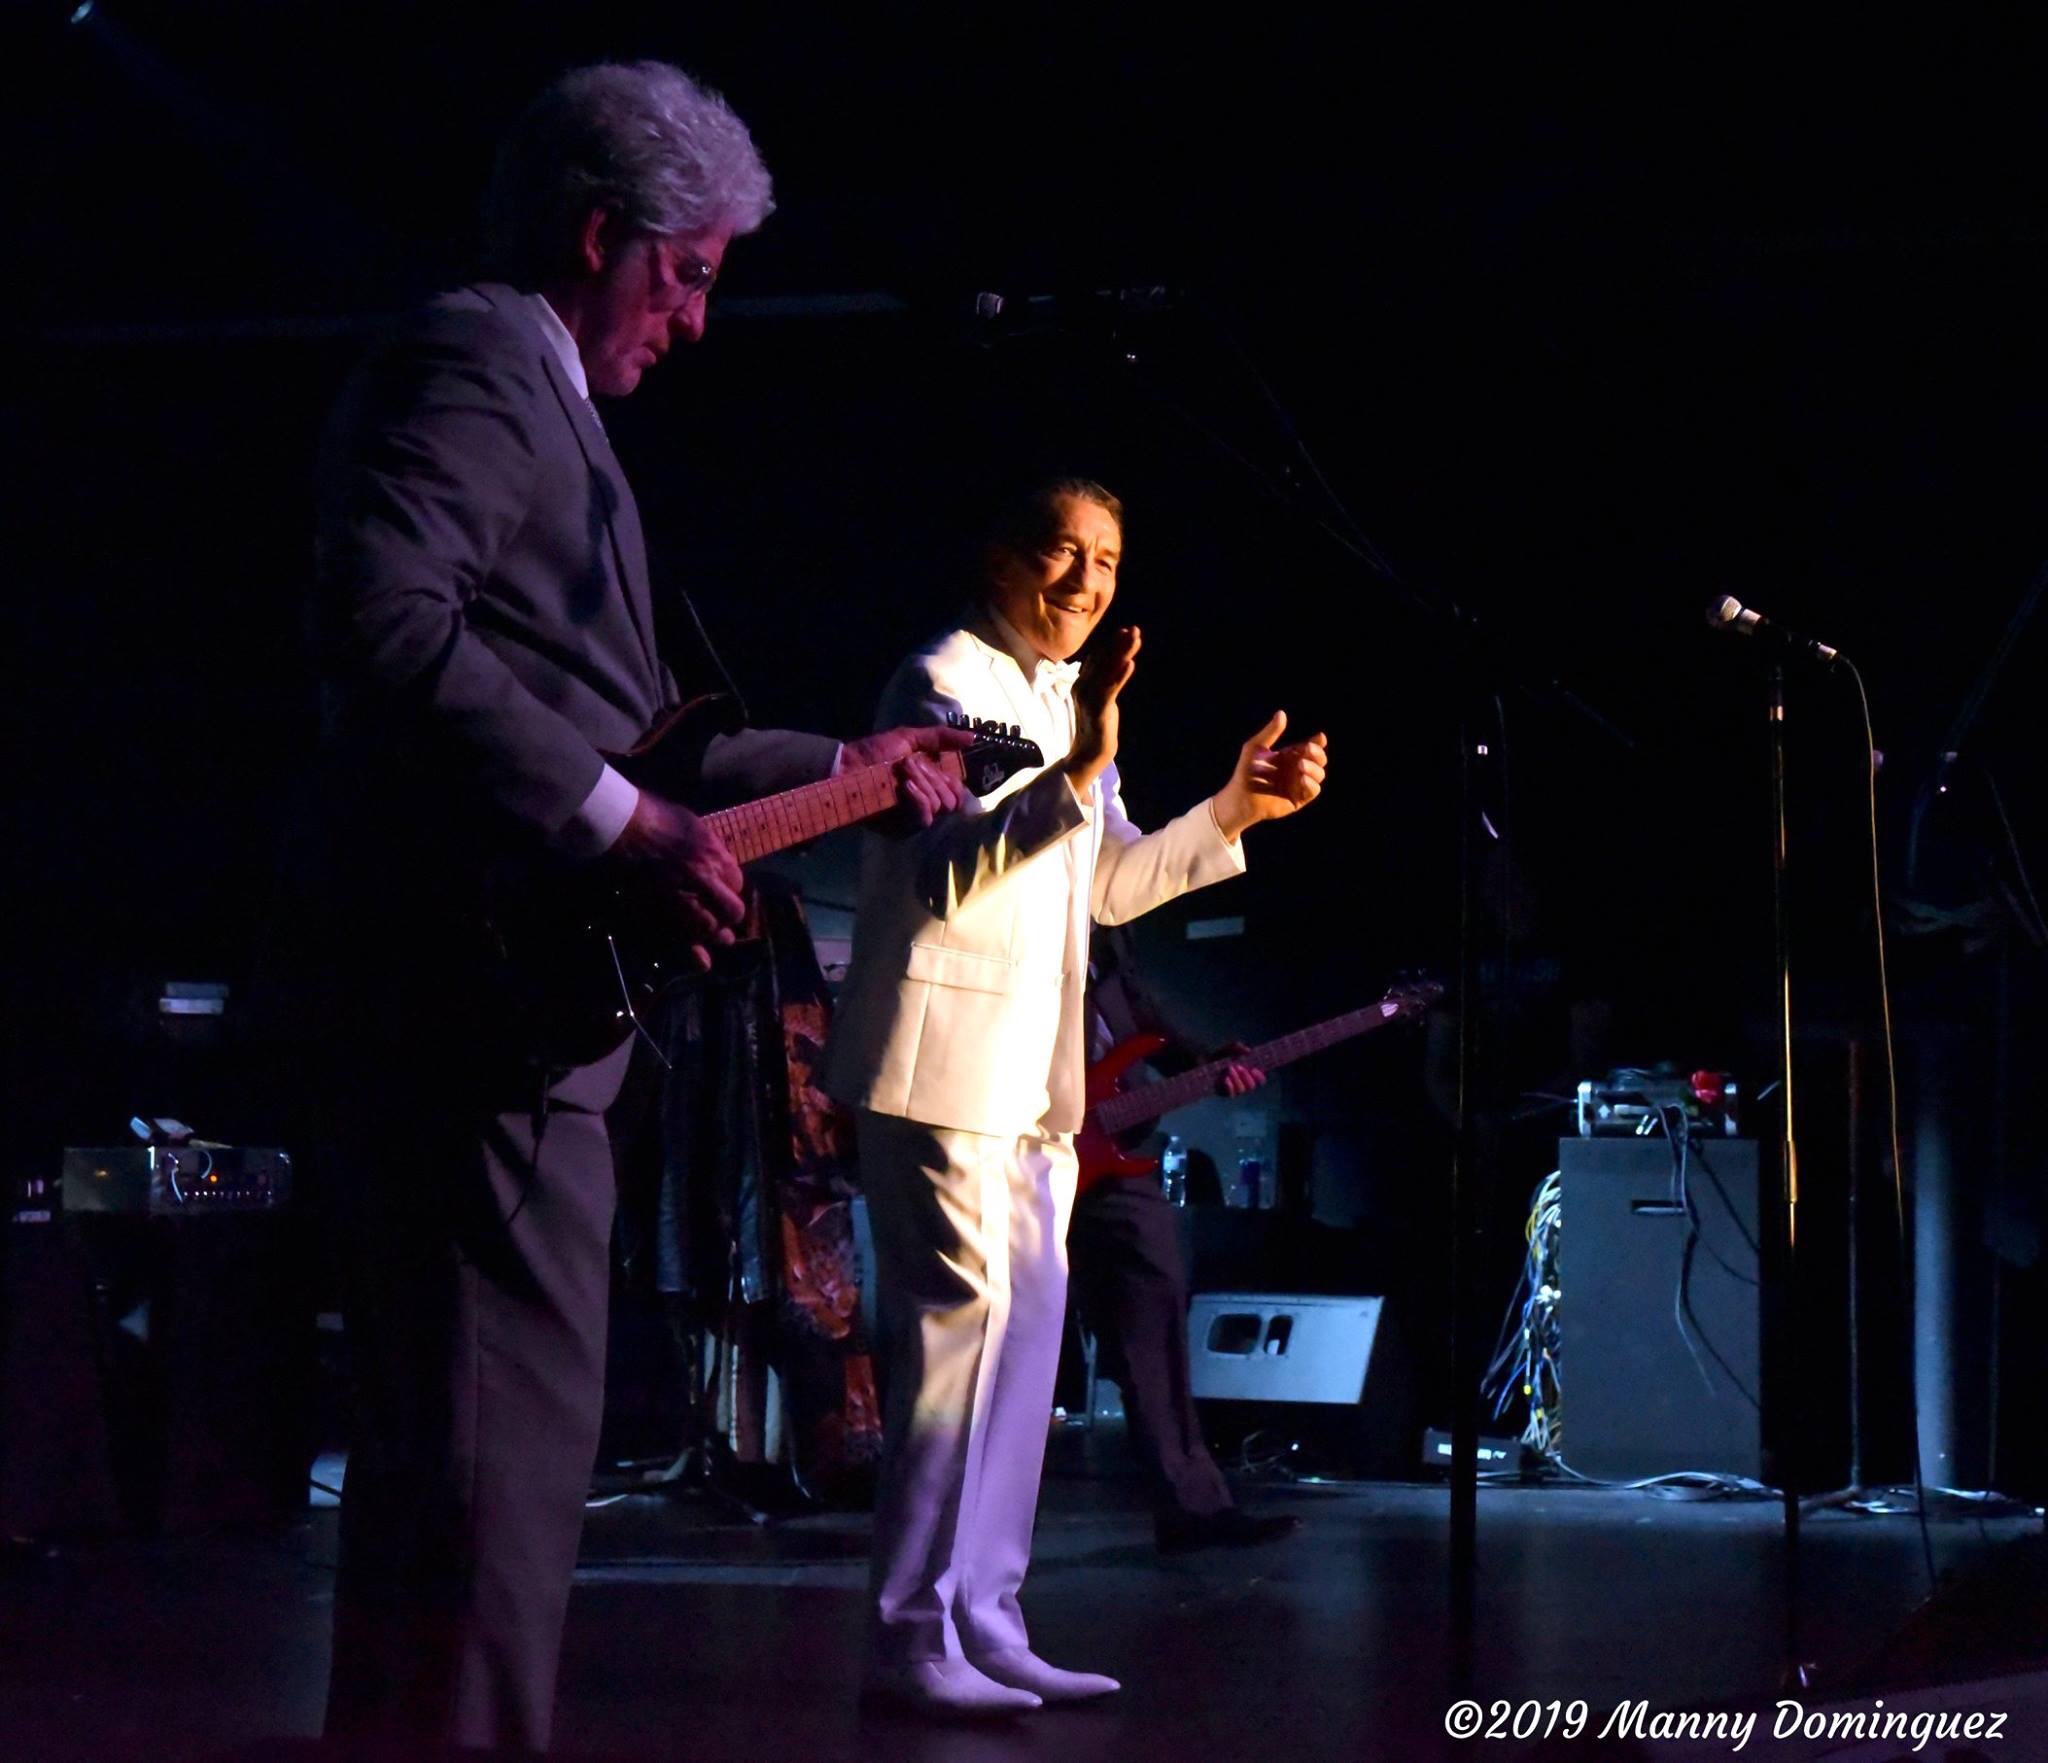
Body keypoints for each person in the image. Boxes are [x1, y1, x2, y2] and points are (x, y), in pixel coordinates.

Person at [298, 62, 966, 1755]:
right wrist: (619, 822)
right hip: (480, 1008)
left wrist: (845, 764)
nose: (696, 323)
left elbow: (644, 738)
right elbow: (385, 622)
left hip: (514, 1009)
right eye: (689, 275)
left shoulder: (551, 406)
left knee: (473, 1473)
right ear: (600, 234)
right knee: (489, 1474)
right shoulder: (480, 358)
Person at [824, 478, 1330, 1717]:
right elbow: (944, 873)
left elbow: (1103, 885)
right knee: (954, 1345)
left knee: (1022, 1354)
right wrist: (1081, 767)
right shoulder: (939, 682)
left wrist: (1232, 810)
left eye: (1105, 560)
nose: (1085, 582)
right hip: (942, 1066)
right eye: (1061, 551)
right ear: (1001, 559)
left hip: (1034, 1084)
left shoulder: (1062, 698)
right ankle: (910, 1631)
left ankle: (986, 1617)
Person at [1069, 925, 1305, 1553]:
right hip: (1013, 1146)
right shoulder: (1007, 902)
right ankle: (964, 1529)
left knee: (1155, 1300)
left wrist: (1205, 1064)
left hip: (1110, 1152)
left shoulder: (1105, 926)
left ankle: (1193, 1508)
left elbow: (1142, 1016)